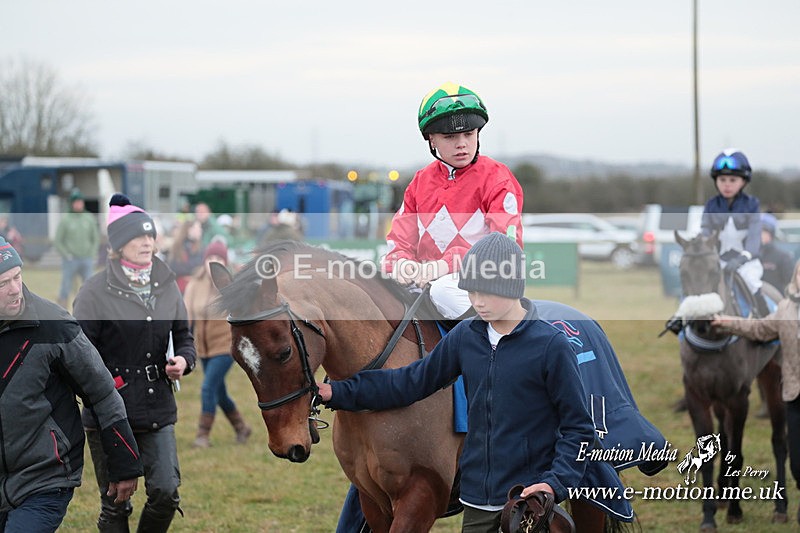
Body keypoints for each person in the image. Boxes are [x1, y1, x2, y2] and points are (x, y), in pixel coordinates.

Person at [320, 233, 631, 532]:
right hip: (477, 503)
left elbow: (578, 428)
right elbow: (410, 382)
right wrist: (338, 392)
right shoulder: (466, 336)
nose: (477, 302)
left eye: (486, 292)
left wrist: (554, 483)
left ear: (511, 286)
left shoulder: (551, 346)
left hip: (529, 501)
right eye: (472, 292)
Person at [0, 236, 142, 532]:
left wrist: (124, 463)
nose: (15, 290)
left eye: (17, 277)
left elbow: (102, 392)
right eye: (3, 284)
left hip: (43, 478)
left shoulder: (55, 325)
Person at [73, 193, 197, 533]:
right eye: (137, 237)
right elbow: (79, 356)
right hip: (109, 414)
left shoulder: (168, 285)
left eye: (150, 235)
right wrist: (107, 390)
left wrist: (184, 360)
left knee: (166, 493)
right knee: (115, 502)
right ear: (118, 245)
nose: (147, 242)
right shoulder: (94, 291)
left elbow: (185, 336)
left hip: (157, 408)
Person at [382, 82, 524, 320]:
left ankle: (490, 349)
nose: (462, 144)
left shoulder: (497, 179)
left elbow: (505, 250)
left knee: (443, 290)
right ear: (432, 140)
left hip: (487, 279)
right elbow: (399, 240)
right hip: (427, 278)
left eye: (469, 134)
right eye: (450, 137)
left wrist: (444, 265)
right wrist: (401, 263)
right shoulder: (420, 181)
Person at [711, 258, 800, 525]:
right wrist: (727, 322)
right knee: (797, 465)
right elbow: (759, 329)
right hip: (795, 395)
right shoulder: (785, 309)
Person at [183, 238, 251, 448]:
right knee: (218, 391)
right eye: (210, 257)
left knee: (207, 387)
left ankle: (202, 435)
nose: (213, 262)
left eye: (218, 258)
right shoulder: (195, 283)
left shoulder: (230, 284)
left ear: (225, 261)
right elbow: (186, 314)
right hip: (202, 348)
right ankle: (241, 428)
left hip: (225, 345)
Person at [701, 149, 768, 316]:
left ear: (743, 182)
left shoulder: (752, 205)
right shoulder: (711, 205)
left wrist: (742, 258)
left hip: (746, 263)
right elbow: (705, 232)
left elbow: (754, 237)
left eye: (733, 180)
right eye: (722, 179)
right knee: (697, 281)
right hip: (718, 261)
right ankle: (684, 320)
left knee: (752, 282)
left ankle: (766, 322)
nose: (727, 184)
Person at [54, 188, 100, 309]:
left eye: (80, 202)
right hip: (70, 260)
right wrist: (66, 254)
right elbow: (58, 241)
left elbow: (95, 238)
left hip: (86, 259)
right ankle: (62, 312)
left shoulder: (89, 218)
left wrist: (92, 252)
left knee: (89, 286)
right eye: (76, 202)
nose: (78, 204)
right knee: (66, 286)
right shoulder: (65, 220)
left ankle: (89, 310)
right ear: (72, 203)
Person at [759, 213, 794, 294]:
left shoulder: (783, 257)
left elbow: (790, 283)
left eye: (763, 231)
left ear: (771, 234)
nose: (759, 235)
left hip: (775, 301)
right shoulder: (748, 256)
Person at [167, 219, 205, 293]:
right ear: (189, 229)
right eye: (197, 228)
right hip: (179, 288)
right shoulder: (178, 247)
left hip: (195, 288)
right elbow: (174, 267)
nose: (200, 231)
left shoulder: (201, 248)